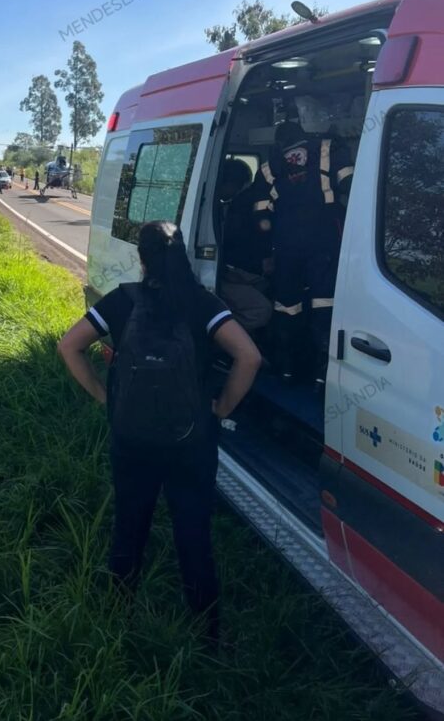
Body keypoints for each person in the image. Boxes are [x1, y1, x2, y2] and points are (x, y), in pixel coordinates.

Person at [58, 221, 261, 645]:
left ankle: (117, 618)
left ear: (142, 257)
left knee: (129, 525)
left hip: (130, 436)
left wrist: (102, 396)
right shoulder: (203, 303)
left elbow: (69, 345)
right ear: (182, 254)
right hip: (192, 440)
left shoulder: (123, 300)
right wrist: (221, 408)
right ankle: (207, 632)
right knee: (193, 530)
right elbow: (249, 356)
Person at [252, 120, 353, 388]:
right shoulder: (327, 149)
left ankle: (287, 369)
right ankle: (323, 373)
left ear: (279, 142)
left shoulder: (269, 166)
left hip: (286, 247)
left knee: (287, 307)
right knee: (325, 304)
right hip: (324, 243)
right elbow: (351, 185)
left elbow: (261, 214)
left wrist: (269, 247)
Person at [218, 159, 273, 334]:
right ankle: (224, 336)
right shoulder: (239, 203)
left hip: (239, 268)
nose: (219, 191)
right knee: (262, 309)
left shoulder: (240, 205)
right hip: (230, 270)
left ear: (233, 184)